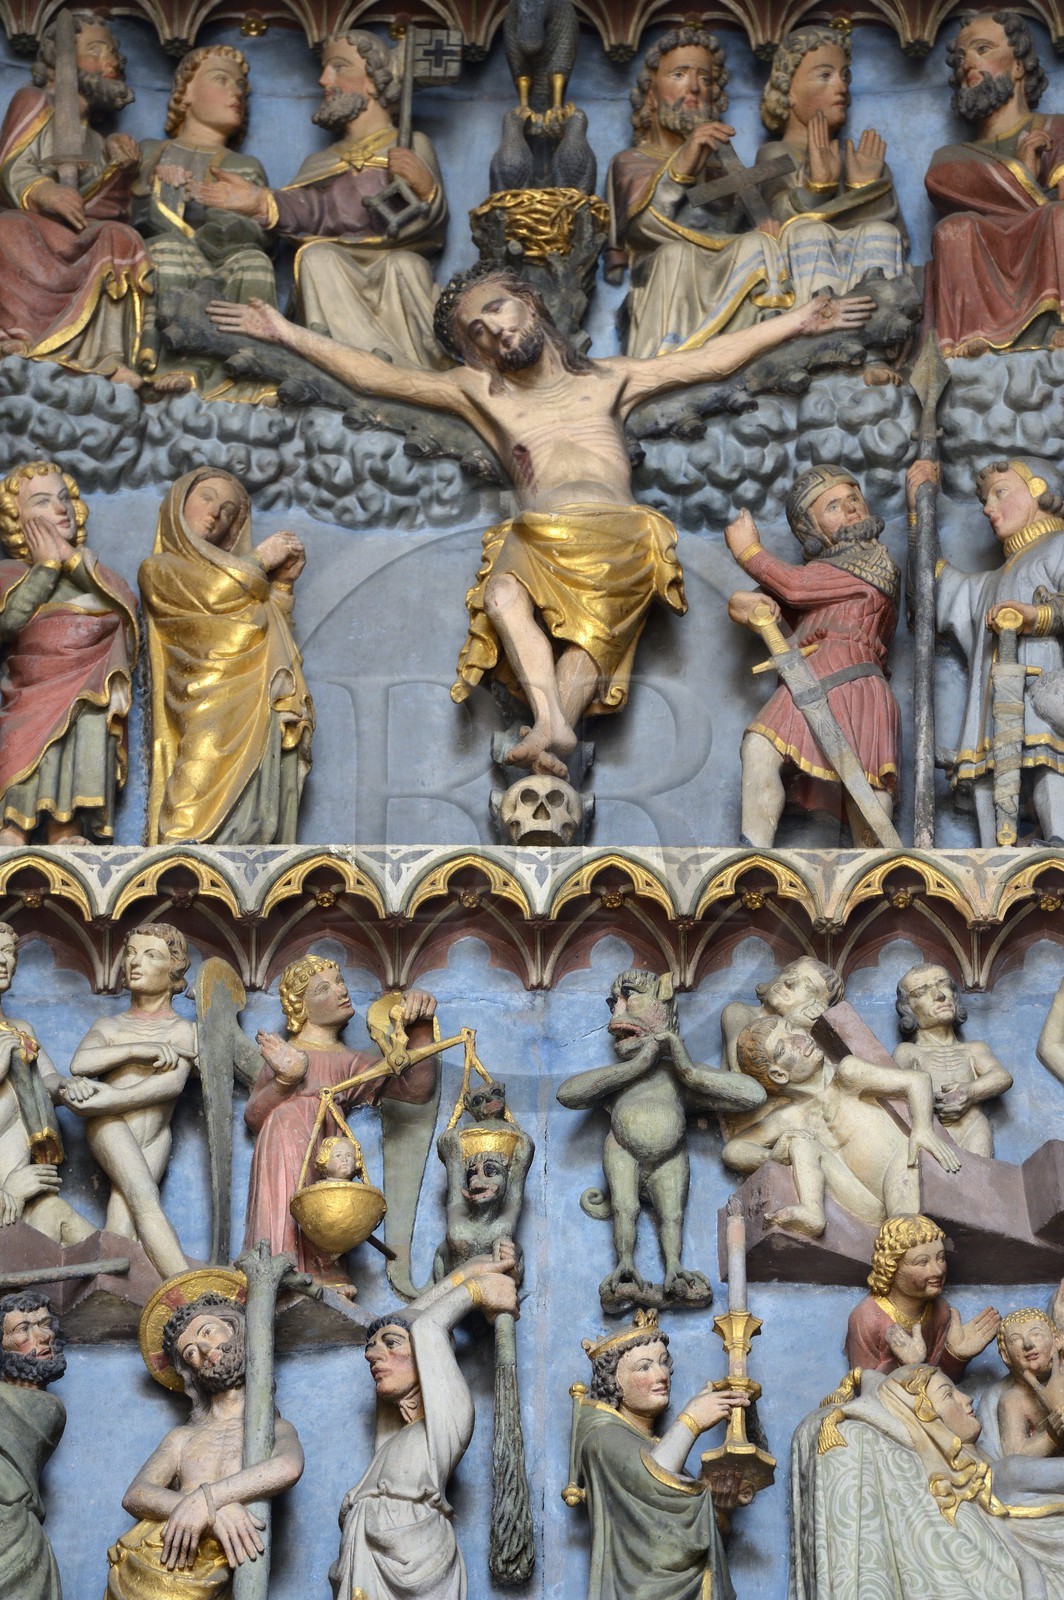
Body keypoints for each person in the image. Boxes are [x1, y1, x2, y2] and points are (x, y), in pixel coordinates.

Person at [206, 263, 871, 778]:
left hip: (619, 533)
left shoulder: (607, 380)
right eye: (477, 333)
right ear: (475, 354)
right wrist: (282, 332)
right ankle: (554, 725)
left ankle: (556, 725)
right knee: (505, 596)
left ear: (528, 302)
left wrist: (799, 324)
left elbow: (711, 360)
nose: (493, 330)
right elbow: (379, 379)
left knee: (590, 642)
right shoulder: (479, 392)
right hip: (541, 532)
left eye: (496, 309)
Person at [191, 30, 446, 368]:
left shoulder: (410, 144)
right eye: (326, 69)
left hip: (396, 259)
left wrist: (425, 186)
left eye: (339, 67)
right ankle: (344, 363)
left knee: (406, 266)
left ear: (374, 81)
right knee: (317, 256)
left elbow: (430, 220)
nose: (325, 79)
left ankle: (408, 367)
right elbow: (312, 210)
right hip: (336, 260)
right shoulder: (319, 162)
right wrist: (259, 202)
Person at [725, 465, 900, 845]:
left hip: (852, 677)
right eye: (833, 506)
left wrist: (749, 552)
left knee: (863, 787)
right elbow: (778, 607)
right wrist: (743, 604)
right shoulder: (823, 574)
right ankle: (753, 853)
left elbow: (796, 588)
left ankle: (873, 872)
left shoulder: (874, 564)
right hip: (808, 675)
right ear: (813, 528)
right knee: (758, 747)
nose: (851, 508)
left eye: (853, 498)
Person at [0, 12, 174, 393]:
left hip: (76, 239)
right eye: (94, 50)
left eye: (112, 52)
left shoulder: (96, 139)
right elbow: (12, 165)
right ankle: (15, 335)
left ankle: (108, 360)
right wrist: (44, 191)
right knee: (6, 229)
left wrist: (119, 170)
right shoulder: (34, 101)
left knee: (120, 236)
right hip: (33, 228)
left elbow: (94, 209)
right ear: (57, 60)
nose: (108, 61)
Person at [139, 468, 314, 845]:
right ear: (177, 504)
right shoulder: (160, 568)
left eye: (229, 511)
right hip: (205, 694)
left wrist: (282, 584)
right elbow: (217, 595)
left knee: (259, 776)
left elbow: (269, 625)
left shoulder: (247, 582)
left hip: (257, 690)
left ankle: (247, 841)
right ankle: (179, 848)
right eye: (206, 497)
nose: (216, 513)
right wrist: (262, 559)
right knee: (202, 760)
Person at [330, 1251, 518, 1600]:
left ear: (430, 1357)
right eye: (371, 1348)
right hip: (365, 1558)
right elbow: (408, 1322)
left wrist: (477, 1289)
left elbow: (426, 1327)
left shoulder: (446, 1423)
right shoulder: (395, 1433)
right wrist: (461, 1276)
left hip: (417, 1558)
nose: (372, 1355)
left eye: (390, 1345)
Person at [242, 955, 438, 1287]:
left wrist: (419, 1025)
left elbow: (416, 1089)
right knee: (284, 1206)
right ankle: (279, 1268)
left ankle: (318, 1268)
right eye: (323, 989)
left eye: (340, 982)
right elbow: (254, 1115)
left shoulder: (349, 1062)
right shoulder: (284, 1055)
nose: (341, 992)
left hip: (323, 1148)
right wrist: (286, 1080)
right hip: (281, 1144)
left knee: (324, 1203)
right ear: (300, 1008)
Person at [792, 1360, 1064, 1598]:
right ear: (927, 1421)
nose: (967, 1398)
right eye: (949, 1395)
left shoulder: (984, 1461)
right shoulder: (972, 1484)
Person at [108, 1277, 304, 1598]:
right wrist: (211, 1511)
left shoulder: (272, 1428)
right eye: (189, 1353)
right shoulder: (183, 1437)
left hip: (218, 1568)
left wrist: (207, 1499)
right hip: (154, 1556)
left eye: (208, 1332)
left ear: (236, 1328)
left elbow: (288, 1467)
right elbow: (136, 1494)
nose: (202, 1349)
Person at [907, 454, 1064, 844]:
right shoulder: (992, 581)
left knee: (1047, 753)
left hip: (1047, 687)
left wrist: (1037, 617)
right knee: (988, 766)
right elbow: (934, 591)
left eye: (1000, 493)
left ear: (1039, 489)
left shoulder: (1060, 546)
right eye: (984, 502)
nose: (989, 509)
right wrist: (917, 514)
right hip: (994, 702)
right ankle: (998, 851)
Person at [606, 27, 790, 356]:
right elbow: (642, 229)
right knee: (678, 255)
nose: (694, 88)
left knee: (758, 245)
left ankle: (749, 358)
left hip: (727, 272)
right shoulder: (633, 161)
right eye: (679, 75)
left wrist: (767, 231)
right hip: (664, 280)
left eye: (705, 79)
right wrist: (682, 166)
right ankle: (665, 363)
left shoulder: (729, 170)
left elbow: (750, 227)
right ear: (651, 92)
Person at [564, 1307, 748, 1600]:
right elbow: (654, 1479)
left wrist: (719, 1508)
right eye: (644, 1367)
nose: (662, 1375)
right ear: (614, 1382)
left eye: (664, 1363)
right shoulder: (603, 1438)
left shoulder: (655, 1444)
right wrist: (692, 1420)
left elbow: (681, 1539)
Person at [0, 460, 137, 845]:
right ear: (17, 521)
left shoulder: (96, 573)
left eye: (63, 499)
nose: (60, 509)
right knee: (20, 746)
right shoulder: (10, 574)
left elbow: (123, 610)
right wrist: (45, 567)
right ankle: (13, 826)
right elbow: (8, 623)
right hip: (32, 685)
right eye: (42, 503)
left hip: (87, 681)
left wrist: (70, 561)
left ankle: (67, 828)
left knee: (86, 731)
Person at [723, 1014, 960, 1236]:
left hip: (899, 1168)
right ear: (779, 1074)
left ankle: (902, 1232)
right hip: (862, 1201)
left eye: (793, 1029)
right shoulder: (790, 1117)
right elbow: (733, 1150)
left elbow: (916, 1080)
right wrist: (775, 1157)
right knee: (799, 1141)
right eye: (784, 1047)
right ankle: (812, 1213)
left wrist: (922, 1130)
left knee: (904, 1229)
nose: (800, 1039)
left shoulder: (847, 1074)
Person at [133, 46, 277, 397]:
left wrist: (216, 210)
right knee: (167, 252)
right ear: (185, 95)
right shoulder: (153, 151)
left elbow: (259, 235)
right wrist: (163, 192)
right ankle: (174, 362)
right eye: (221, 80)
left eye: (241, 86)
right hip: (168, 252)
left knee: (255, 264)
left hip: (223, 259)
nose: (236, 93)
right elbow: (130, 215)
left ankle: (247, 368)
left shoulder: (245, 166)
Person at [758, 25, 907, 353]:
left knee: (880, 232)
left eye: (845, 76)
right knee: (807, 233)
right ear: (788, 91)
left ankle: (878, 346)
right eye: (824, 75)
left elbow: (901, 239)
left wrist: (865, 186)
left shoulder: (861, 160)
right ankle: (816, 343)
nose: (841, 87)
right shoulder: (775, 155)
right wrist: (817, 185)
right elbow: (776, 223)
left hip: (858, 276)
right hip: (800, 272)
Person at [925, 10, 1064, 357]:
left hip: (1045, 231)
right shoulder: (949, 158)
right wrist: (1025, 176)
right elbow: (945, 185)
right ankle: (969, 342)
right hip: (988, 238)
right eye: (960, 57)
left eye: (982, 49)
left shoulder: (1056, 129)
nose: (967, 64)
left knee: (1060, 217)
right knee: (954, 228)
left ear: (1019, 66)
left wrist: (1027, 189)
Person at [66, 924, 196, 1280]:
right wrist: (141, 1048)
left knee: (124, 1212)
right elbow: (81, 1064)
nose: (134, 963)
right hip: (108, 1125)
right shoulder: (111, 1025)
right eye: (131, 954)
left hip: (155, 1133)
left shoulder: (183, 1030)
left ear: (174, 970)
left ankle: (111, 1286)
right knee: (142, 1198)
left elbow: (170, 1086)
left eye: (150, 955)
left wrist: (113, 1096)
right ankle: (187, 1288)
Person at [0, 920, 95, 1245]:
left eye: (9, 953)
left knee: (98, 1253)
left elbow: (47, 1079)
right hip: (8, 1197)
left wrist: (67, 1087)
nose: (3, 961)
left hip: (24, 1200)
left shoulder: (19, 1028)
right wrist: (8, 1190)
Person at [844, 1213, 1000, 1376]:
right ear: (892, 1267)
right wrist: (908, 1365)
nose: (938, 1270)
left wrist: (955, 1355)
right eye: (922, 1262)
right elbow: (864, 1389)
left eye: (941, 1258)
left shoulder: (940, 1311)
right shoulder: (867, 1320)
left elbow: (940, 1381)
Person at [893, 962, 1012, 1157]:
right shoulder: (908, 1052)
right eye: (922, 992)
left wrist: (970, 1092)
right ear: (909, 1009)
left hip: (973, 1127)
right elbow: (895, 1097)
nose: (939, 995)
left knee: (980, 1180)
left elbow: (1001, 1076)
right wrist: (931, 1101)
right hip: (932, 1131)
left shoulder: (974, 1048)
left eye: (944, 984)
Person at [0, 1292, 67, 1600]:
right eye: (23, 1329)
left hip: (13, 1530)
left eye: (43, 1323)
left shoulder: (47, 1408)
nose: (42, 1336)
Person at [721, 954, 843, 1074]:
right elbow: (740, 1071)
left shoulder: (811, 1049)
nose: (789, 982)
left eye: (807, 987)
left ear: (818, 1008)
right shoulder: (739, 1012)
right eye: (790, 972)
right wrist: (792, 1022)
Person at [995, 1307, 1064, 1457]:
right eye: (1015, 1339)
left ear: (1057, 1341)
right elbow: (1015, 1457)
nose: (1027, 1344)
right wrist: (1051, 1435)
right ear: (1005, 1355)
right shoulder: (1012, 1400)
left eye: (1036, 1334)